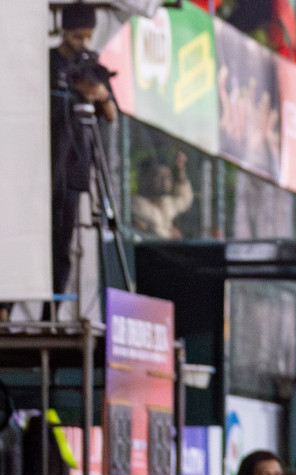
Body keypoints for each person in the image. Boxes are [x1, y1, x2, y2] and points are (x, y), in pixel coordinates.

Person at [50, 3, 116, 301]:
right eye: (77, 36)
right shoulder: (49, 62)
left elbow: (112, 114)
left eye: (88, 36)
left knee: (63, 241)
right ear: (64, 32)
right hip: (46, 162)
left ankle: (52, 308)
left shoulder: (91, 64)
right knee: (38, 237)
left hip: (76, 165)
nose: (83, 43)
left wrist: (99, 94)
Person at [131, 152, 195, 240]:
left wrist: (180, 170)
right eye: (159, 176)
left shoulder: (167, 202)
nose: (165, 181)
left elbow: (185, 199)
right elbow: (155, 230)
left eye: (167, 176)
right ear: (145, 178)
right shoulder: (136, 203)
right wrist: (170, 235)